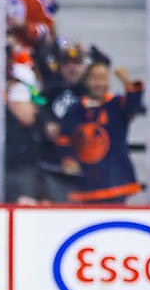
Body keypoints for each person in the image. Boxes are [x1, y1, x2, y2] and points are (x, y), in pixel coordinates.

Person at [53, 59, 144, 203]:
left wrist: (127, 83)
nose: (99, 83)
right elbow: (64, 140)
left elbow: (134, 106)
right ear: (86, 80)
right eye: (94, 78)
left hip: (116, 180)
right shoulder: (75, 110)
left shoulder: (117, 104)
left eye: (103, 78)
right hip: (85, 182)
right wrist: (68, 160)